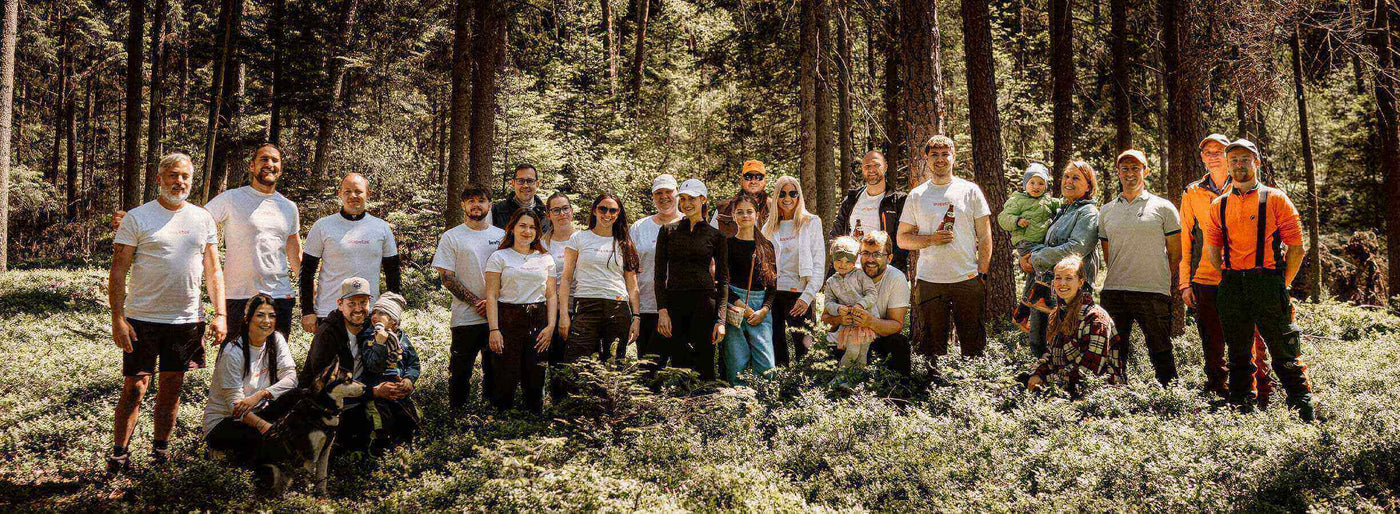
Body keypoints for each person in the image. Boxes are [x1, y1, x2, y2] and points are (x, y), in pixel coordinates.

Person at [108, 153, 226, 473]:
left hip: (186, 320)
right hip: (142, 319)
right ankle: (119, 453)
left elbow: (214, 270)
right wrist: (118, 318)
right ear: (159, 179)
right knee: (135, 388)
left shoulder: (202, 219)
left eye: (186, 176)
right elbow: (118, 271)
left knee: (171, 388)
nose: (180, 182)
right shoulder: (138, 218)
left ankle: (160, 450)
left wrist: (221, 314)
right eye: (173, 175)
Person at [1203, 139, 1316, 421]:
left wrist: (1281, 283)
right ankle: (1242, 411)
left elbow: (1297, 247)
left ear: (1256, 162)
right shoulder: (1219, 205)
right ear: (1228, 166)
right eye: (1234, 160)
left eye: (1245, 159)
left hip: (1267, 282)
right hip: (1232, 285)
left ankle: (1302, 412)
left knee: (1284, 349)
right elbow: (1213, 250)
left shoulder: (1276, 199)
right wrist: (1229, 276)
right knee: (1238, 353)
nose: (1239, 165)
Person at [1180, 134, 1273, 401]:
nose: (1212, 156)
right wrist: (1185, 282)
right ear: (1202, 158)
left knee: (1253, 340)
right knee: (1212, 341)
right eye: (1207, 152)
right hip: (1206, 278)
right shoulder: (1192, 192)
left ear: (1229, 156)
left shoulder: (1247, 186)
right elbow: (1186, 238)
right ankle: (1219, 394)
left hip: (1244, 276)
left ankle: (1261, 393)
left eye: (1218, 151)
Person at [896, 135, 993, 364]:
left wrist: (982, 272)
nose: (940, 159)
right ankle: (934, 390)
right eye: (934, 155)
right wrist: (931, 239)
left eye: (945, 154)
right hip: (930, 281)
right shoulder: (917, 195)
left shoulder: (969, 190)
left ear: (953, 157)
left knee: (973, 345)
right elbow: (902, 239)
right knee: (933, 346)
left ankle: (973, 390)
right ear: (926, 159)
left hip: (966, 278)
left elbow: (985, 235)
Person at [190, 143, 300, 337]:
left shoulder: (289, 207)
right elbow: (195, 220)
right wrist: (139, 218)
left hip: (279, 296)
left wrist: (313, 289)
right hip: (239, 296)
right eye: (263, 159)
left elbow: (295, 253)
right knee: (234, 359)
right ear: (252, 166)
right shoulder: (232, 198)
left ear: (280, 169)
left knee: (275, 360)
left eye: (275, 160)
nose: (269, 164)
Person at [299, 278, 418, 451]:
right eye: (351, 303)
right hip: (329, 400)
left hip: (362, 390)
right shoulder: (328, 333)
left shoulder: (371, 328)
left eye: (363, 303)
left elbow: (396, 355)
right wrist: (374, 392)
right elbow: (325, 385)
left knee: (401, 410)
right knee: (357, 429)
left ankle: (400, 451)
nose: (358, 309)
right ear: (340, 305)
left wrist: (406, 380)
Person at [1097, 149, 1182, 387]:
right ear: (1118, 173)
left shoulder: (1163, 207)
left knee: (1160, 346)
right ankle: (1114, 394)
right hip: (1115, 290)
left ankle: (1170, 393)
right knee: (1114, 348)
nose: (1130, 173)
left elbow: (1176, 252)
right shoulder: (1106, 211)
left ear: (1146, 171)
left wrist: (1159, 275)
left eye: (1136, 168)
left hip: (1152, 290)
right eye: (1125, 168)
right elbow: (1108, 252)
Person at [432, 186, 506, 410]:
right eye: (470, 201)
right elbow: (447, 277)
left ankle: (492, 418)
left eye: (481, 201)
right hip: (465, 317)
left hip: (497, 318)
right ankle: (457, 417)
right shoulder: (452, 236)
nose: (476, 205)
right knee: (460, 372)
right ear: (463, 205)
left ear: (489, 206)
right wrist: (476, 302)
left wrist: (492, 304)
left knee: (495, 371)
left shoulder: (501, 236)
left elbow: (510, 273)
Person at [203, 294, 299, 464]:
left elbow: (291, 378)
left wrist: (261, 394)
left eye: (272, 316)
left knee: (299, 398)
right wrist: (266, 428)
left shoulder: (276, 340)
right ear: (247, 319)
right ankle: (219, 451)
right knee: (267, 443)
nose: (266, 321)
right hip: (225, 421)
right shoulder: (233, 353)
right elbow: (236, 408)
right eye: (260, 315)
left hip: (258, 408)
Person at [1020, 161, 1102, 358]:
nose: (1069, 182)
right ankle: (1040, 385)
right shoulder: (1063, 210)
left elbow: (1076, 248)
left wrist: (1037, 258)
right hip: (1046, 286)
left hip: (1072, 290)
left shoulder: (1088, 213)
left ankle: (1067, 387)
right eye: (1066, 177)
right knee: (1039, 342)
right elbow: (1048, 243)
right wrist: (1028, 257)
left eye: (1076, 178)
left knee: (1066, 345)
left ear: (1089, 186)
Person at [299, 173, 400, 333]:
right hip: (329, 312)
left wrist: (393, 311)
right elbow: (306, 273)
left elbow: (393, 274)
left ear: (368, 194)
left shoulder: (381, 228)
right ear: (340, 194)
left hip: (369, 314)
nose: (353, 196)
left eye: (358, 191)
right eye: (347, 191)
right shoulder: (323, 226)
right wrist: (307, 311)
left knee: (370, 358)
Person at [558, 193, 642, 371]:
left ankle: (609, 400)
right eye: (603, 208)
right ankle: (577, 399)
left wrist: (636, 317)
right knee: (576, 362)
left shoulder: (624, 242)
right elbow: (566, 279)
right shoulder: (579, 238)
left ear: (618, 214)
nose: (607, 214)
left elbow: (632, 286)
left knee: (613, 364)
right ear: (595, 210)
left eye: (613, 210)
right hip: (586, 305)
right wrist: (565, 314)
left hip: (618, 307)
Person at [655, 179, 729, 379]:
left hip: (704, 304)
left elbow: (723, 281)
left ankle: (706, 406)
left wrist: (720, 320)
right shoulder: (668, 231)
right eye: (684, 199)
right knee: (679, 363)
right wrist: (662, 310)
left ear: (703, 200)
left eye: (692, 199)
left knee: (704, 363)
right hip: (675, 304)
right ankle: (680, 407)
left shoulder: (716, 236)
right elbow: (659, 275)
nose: (687, 204)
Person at [485, 210, 558, 413]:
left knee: (535, 375)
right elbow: (491, 295)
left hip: (538, 319)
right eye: (523, 226)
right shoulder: (499, 257)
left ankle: (534, 422)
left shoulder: (545, 259)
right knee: (504, 374)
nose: (527, 231)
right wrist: (494, 329)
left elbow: (551, 295)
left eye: (532, 227)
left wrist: (551, 326)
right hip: (507, 318)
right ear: (512, 228)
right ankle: (501, 423)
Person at [1022, 255, 1125, 396]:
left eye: (1069, 278)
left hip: (1099, 394)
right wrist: (1038, 374)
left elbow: (1088, 371)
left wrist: (1047, 381)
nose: (1062, 283)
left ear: (1081, 282)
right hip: (1063, 385)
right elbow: (1051, 355)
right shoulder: (1058, 313)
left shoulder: (1095, 318)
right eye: (1058, 278)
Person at [820, 231, 912, 374]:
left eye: (877, 254)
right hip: (846, 336)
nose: (870, 259)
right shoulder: (845, 275)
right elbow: (825, 318)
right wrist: (840, 318)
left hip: (876, 338)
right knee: (840, 351)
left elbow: (896, 325)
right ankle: (840, 383)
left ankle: (897, 389)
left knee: (899, 342)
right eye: (865, 253)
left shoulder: (896, 279)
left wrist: (869, 322)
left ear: (889, 258)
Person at [762, 175, 824, 366]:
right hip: (774, 294)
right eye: (782, 194)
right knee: (776, 343)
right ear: (776, 197)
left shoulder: (811, 222)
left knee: (804, 345)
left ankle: (807, 388)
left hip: (799, 294)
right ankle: (781, 386)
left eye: (792, 193)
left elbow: (819, 264)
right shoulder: (768, 228)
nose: (787, 198)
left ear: (799, 196)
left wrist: (807, 297)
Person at [718, 193, 778, 384]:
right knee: (736, 361)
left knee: (766, 363)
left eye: (749, 212)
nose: (745, 216)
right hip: (735, 306)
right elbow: (723, 282)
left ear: (757, 214)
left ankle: (765, 405)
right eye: (740, 212)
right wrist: (742, 307)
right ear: (734, 216)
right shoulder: (726, 245)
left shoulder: (766, 246)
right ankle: (739, 405)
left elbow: (772, 285)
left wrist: (764, 310)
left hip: (760, 308)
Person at [356, 291, 422, 450]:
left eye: (382, 313)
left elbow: (413, 363)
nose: (374, 316)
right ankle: (379, 451)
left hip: (399, 391)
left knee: (411, 418)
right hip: (379, 391)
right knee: (381, 421)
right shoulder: (370, 339)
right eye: (375, 312)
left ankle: (406, 447)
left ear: (393, 321)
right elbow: (373, 366)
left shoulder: (402, 340)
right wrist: (379, 343)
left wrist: (409, 379)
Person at [999, 163, 1060, 330]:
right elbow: (1003, 218)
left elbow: (1062, 204)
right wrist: (1017, 222)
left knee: (1033, 276)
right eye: (1032, 182)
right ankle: (1042, 298)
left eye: (1041, 183)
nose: (1036, 187)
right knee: (1046, 265)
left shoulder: (1047, 200)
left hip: (1040, 243)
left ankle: (1021, 314)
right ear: (1025, 183)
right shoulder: (1018, 199)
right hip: (1026, 243)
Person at [631, 175, 683, 362]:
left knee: (682, 369)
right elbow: (630, 271)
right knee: (649, 366)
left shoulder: (690, 224)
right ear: (652, 197)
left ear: (677, 193)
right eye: (658, 193)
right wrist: (634, 311)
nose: (664, 197)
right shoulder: (639, 227)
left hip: (681, 307)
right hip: (648, 306)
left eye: (668, 192)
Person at [830, 151, 909, 272]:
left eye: (876, 165)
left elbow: (902, 243)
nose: (871, 169)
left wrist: (890, 269)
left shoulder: (898, 201)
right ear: (862, 169)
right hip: (851, 270)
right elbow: (836, 234)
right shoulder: (851, 200)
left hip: (882, 272)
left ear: (886, 167)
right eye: (867, 166)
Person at [822, 237, 879, 370]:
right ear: (833, 259)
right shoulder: (831, 282)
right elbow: (828, 302)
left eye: (848, 261)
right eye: (839, 260)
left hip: (865, 320)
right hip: (848, 322)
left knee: (862, 355)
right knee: (853, 350)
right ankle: (841, 376)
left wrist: (860, 305)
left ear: (854, 262)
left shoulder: (860, 275)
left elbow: (872, 293)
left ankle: (856, 382)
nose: (843, 264)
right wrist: (838, 308)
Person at [542, 192, 578, 382]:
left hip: (581, 309)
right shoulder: (541, 244)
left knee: (580, 363)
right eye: (556, 210)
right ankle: (557, 406)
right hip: (551, 310)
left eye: (565, 208)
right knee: (556, 363)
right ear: (548, 215)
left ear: (571, 211)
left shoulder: (583, 239)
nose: (562, 213)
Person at [712, 160, 771, 237]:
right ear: (741, 180)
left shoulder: (775, 207)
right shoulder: (724, 208)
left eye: (759, 177)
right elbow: (711, 239)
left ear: (764, 181)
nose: (753, 181)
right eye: (748, 177)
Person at [490, 163, 550, 233]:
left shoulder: (546, 214)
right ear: (513, 183)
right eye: (520, 181)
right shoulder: (497, 212)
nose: (525, 185)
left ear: (537, 184)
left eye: (530, 181)